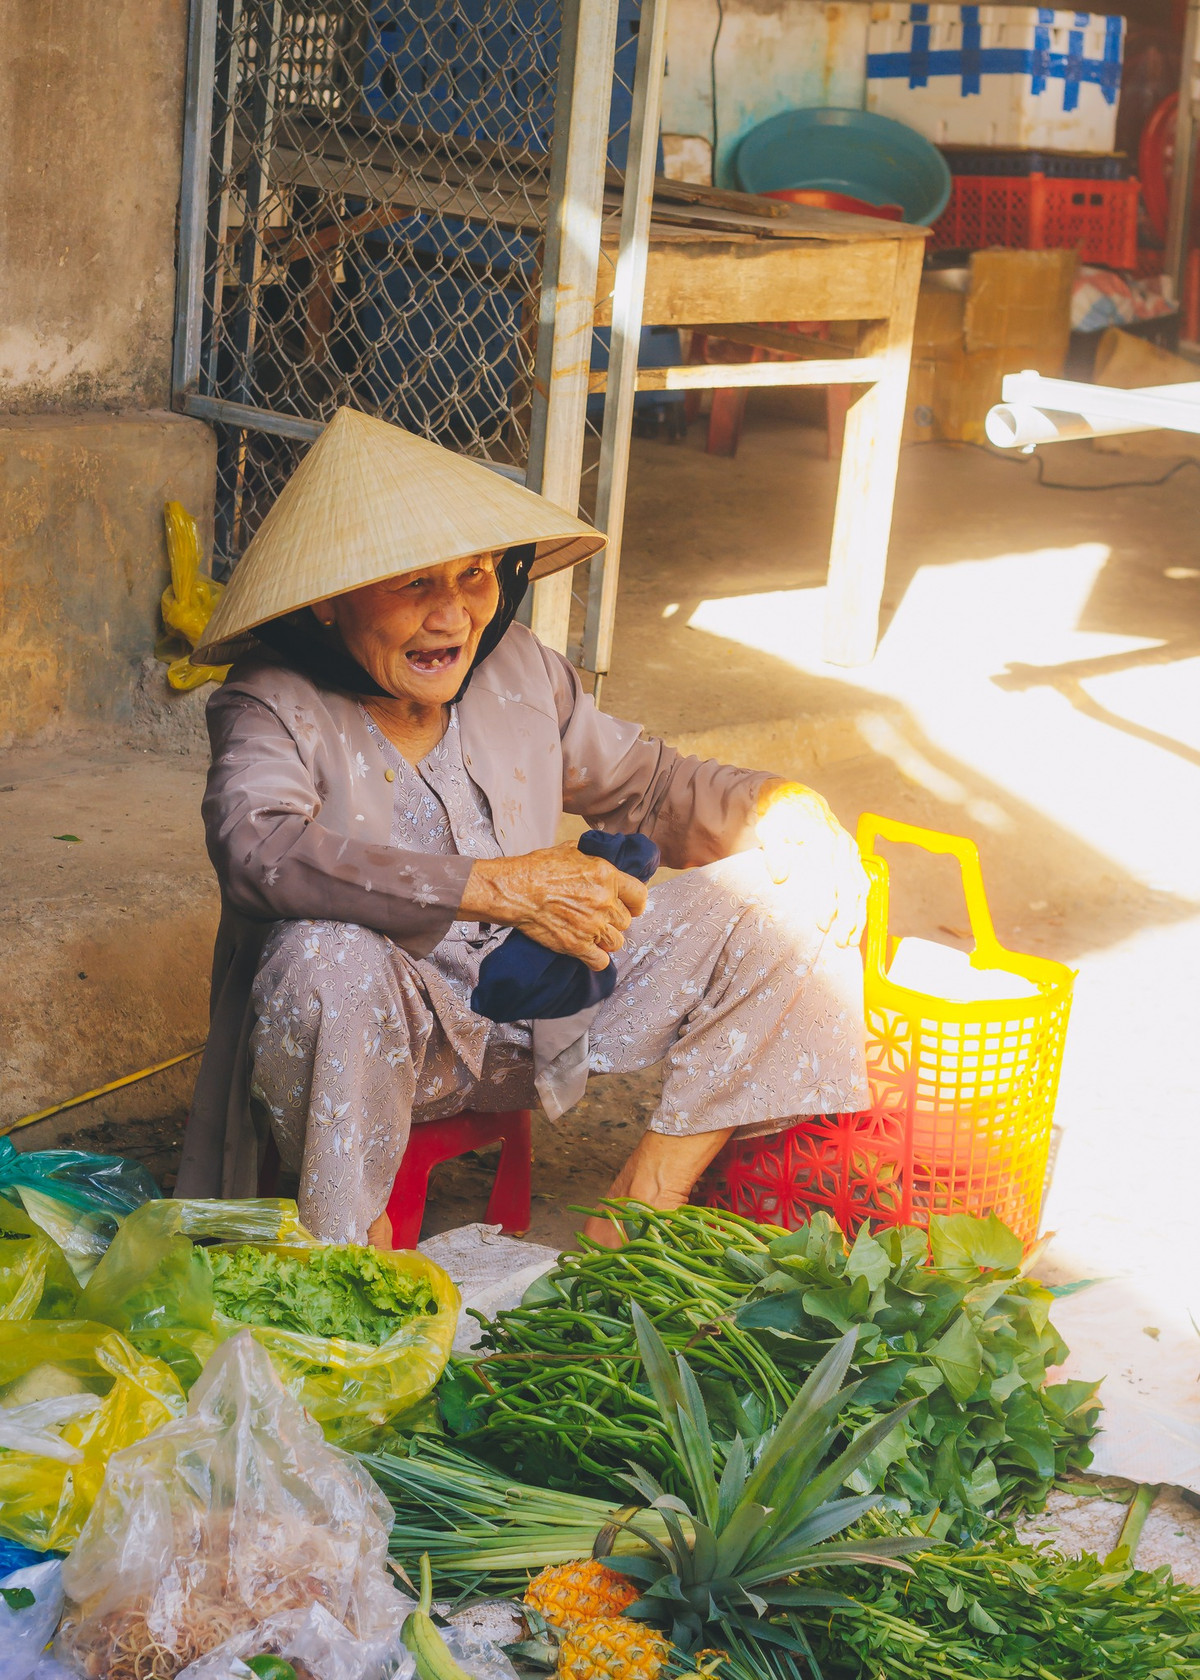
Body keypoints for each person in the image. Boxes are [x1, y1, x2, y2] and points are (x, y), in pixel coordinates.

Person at [176, 408, 870, 1248]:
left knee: (796, 896)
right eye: (414, 584)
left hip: (535, 1017)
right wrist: (495, 887)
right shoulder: (270, 702)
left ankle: (642, 1207)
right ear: (329, 603)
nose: (455, 616)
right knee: (324, 952)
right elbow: (259, 851)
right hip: (377, 1042)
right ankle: (339, 1264)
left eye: (475, 576)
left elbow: (647, 786)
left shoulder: (518, 668)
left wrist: (778, 806)